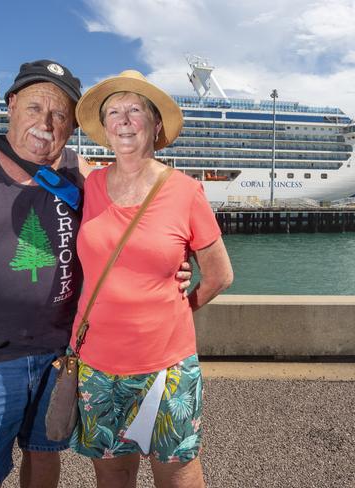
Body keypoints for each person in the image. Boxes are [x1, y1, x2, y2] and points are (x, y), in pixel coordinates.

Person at [0, 59, 191, 488]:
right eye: (33, 107)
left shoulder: (79, 173)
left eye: (60, 114)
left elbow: (131, 236)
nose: (46, 122)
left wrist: (175, 267)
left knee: (45, 463)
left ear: (72, 125)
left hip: (59, 357)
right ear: (10, 105)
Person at [69, 70, 234, 488]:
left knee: (177, 476)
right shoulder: (90, 184)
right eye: (113, 112)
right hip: (95, 365)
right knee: (112, 477)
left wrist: (180, 304)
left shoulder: (184, 191)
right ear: (104, 129)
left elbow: (218, 275)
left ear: (155, 124)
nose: (124, 120)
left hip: (167, 366)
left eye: (135, 110)